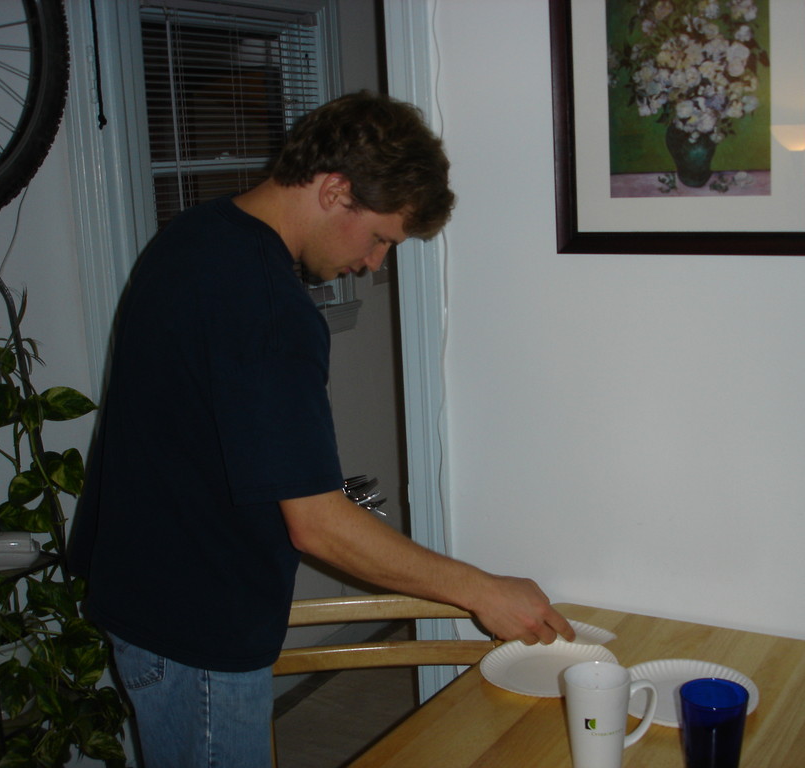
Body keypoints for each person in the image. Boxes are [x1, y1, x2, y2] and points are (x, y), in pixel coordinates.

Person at [68, 91, 574, 768]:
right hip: (198, 634)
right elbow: (318, 523)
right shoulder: (269, 306)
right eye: (380, 239)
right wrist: (482, 590)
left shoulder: (194, 237)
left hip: (148, 603)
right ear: (336, 189)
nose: (373, 264)